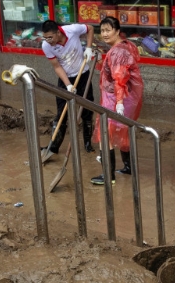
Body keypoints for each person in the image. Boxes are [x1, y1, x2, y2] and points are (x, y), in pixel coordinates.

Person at [90, 16, 144, 185]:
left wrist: (119, 102)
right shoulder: (125, 46)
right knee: (123, 132)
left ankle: (108, 175)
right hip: (127, 97)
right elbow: (112, 72)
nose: (104, 34)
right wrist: (100, 61)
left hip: (117, 98)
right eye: (102, 30)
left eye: (108, 30)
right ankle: (128, 167)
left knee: (106, 135)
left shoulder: (118, 51)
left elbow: (119, 78)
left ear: (117, 31)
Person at [40, 19, 95, 163]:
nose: (48, 41)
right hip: (65, 79)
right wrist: (68, 85)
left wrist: (88, 48)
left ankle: (88, 144)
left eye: (50, 37)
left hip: (83, 74)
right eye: (45, 37)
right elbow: (57, 66)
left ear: (58, 32)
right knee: (61, 113)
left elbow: (90, 28)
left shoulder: (72, 30)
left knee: (87, 110)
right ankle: (53, 147)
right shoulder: (46, 46)